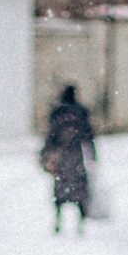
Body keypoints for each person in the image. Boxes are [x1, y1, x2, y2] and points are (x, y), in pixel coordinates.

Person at [42, 85, 97, 234]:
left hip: (61, 156)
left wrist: (45, 153)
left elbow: (50, 134)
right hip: (76, 154)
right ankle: (80, 222)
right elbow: (88, 133)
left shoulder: (58, 112)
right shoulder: (80, 111)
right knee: (79, 189)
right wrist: (92, 154)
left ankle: (58, 221)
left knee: (60, 189)